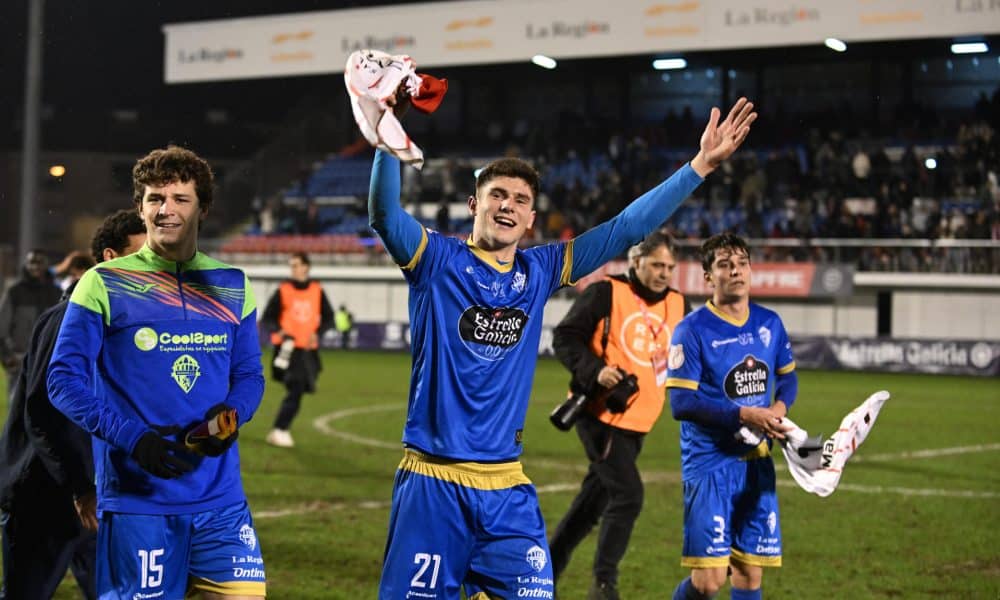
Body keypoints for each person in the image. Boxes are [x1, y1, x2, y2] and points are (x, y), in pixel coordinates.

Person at [369, 91, 756, 599]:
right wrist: (387, 136)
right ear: (474, 204)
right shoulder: (434, 259)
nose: (508, 205)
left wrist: (699, 165)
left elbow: (627, 228)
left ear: (531, 219)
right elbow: (383, 213)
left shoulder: (539, 269)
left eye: (521, 200)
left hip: (506, 487)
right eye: (497, 195)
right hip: (434, 482)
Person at [46, 146, 267, 599]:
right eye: (154, 198)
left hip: (221, 501)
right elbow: (63, 381)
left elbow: (249, 374)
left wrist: (232, 417)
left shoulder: (232, 284)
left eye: (179, 199)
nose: (165, 209)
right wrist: (134, 439)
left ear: (202, 208)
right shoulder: (104, 281)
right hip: (138, 501)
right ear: (140, 207)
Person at [0, 208, 146, 600]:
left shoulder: (126, 323)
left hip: (102, 498)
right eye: (144, 255)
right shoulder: (69, 318)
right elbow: (45, 414)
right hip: (46, 496)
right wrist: (80, 487)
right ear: (113, 259)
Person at [548, 230, 690, 599]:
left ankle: (542, 571)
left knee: (590, 505)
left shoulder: (678, 304)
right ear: (636, 261)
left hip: (639, 420)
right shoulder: (606, 292)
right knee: (628, 495)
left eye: (670, 267)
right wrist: (595, 370)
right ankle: (604, 583)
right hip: (600, 414)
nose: (663, 273)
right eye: (656, 264)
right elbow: (564, 337)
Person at [666, 233, 798, 600]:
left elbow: (788, 379)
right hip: (709, 464)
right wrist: (745, 413)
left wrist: (777, 411)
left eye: (741, 263)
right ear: (708, 277)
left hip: (756, 462)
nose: (735, 271)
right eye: (724, 265)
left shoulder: (770, 323)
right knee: (709, 583)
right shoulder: (691, 330)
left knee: (749, 573)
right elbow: (681, 403)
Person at [262, 251, 333, 449]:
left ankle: (279, 429)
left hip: (307, 351)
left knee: (300, 389)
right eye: (291, 266)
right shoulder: (283, 290)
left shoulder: (317, 290)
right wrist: (280, 330)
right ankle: (279, 429)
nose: (293, 269)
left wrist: (317, 332)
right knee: (296, 387)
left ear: (306, 267)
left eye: (296, 265)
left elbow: (329, 318)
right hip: (287, 349)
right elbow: (268, 318)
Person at [0, 250, 62, 396]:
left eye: (39, 262)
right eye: (31, 262)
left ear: (47, 265)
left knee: (45, 413)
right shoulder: (14, 292)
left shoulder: (57, 293)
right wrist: (7, 357)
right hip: (20, 362)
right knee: (17, 412)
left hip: (48, 362)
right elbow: (1, 329)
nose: (35, 266)